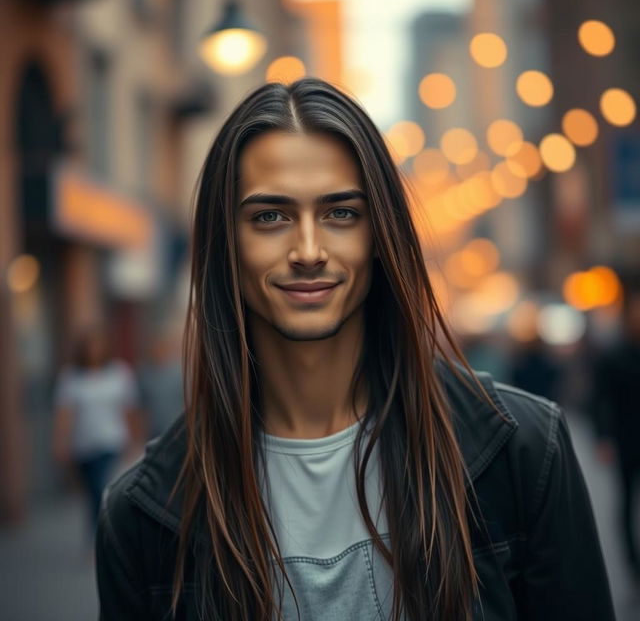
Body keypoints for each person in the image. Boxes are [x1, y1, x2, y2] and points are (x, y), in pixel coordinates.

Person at [95, 78, 615, 621]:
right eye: (269, 216)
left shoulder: (522, 452)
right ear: (226, 242)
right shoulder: (143, 516)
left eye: (341, 213)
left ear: (380, 233)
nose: (309, 250)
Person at [52, 326, 142, 538]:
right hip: (83, 445)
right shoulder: (71, 378)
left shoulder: (119, 373)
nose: (94, 350)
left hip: (111, 440)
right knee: (92, 492)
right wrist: (60, 443)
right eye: (90, 346)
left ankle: (104, 536)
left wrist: (135, 439)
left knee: (103, 488)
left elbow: (130, 410)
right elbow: (64, 415)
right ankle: (96, 534)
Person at [590, 285, 640, 587]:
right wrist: (603, 437)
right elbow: (601, 399)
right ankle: (633, 566)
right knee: (626, 503)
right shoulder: (614, 356)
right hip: (626, 438)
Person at [137, 330, 184, 440]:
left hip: (175, 428)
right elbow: (141, 406)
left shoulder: (178, 372)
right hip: (154, 431)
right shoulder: (144, 374)